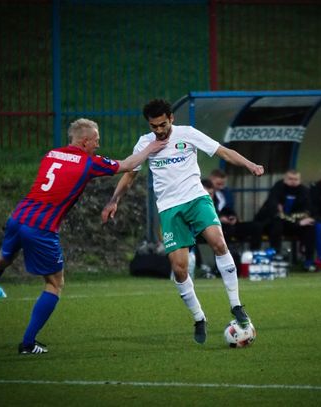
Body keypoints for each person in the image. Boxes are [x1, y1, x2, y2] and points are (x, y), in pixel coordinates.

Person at [0, 118, 167, 354]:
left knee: (2, 258)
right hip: (41, 228)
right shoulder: (88, 162)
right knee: (55, 283)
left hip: (18, 217)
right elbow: (127, 164)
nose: (98, 145)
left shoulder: (51, 154)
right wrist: (151, 147)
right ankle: (28, 344)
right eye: (96, 140)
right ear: (85, 141)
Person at [101, 99, 264, 344]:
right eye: (154, 126)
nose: (159, 130)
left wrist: (250, 164)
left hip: (196, 199)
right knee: (179, 268)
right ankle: (199, 317)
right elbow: (130, 175)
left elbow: (222, 151)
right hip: (169, 209)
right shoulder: (145, 143)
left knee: (218, 243)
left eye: (163, 124)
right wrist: (114, 200)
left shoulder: (188, 134)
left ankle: (236, 305)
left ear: (171, 119)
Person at [254, 169, 317, 272]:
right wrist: (297, 221)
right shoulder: (277, 188)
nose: (293, 182)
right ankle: (276, 257)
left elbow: (307, 210)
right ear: (285, 179)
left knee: (310, 227)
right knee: (276, 224)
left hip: (294, 224)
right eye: (290, 179)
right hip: (275, 223)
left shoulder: (304, 191)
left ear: (300, 180)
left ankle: (309, 261)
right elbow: (274, 211)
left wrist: (299, 221)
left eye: (296, 179)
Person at [208, 168, 263, 251]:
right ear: (211, 179)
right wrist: (219, 219)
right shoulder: (204, 193)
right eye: (218, 184)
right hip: (214, 225)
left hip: (229, 222)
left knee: (256, 226)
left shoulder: (226, 192)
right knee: (228, 230)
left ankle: (254, 253)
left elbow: (229, 208)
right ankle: (227, 254)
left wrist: (233, 217)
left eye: (223, 184)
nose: (221, 187)